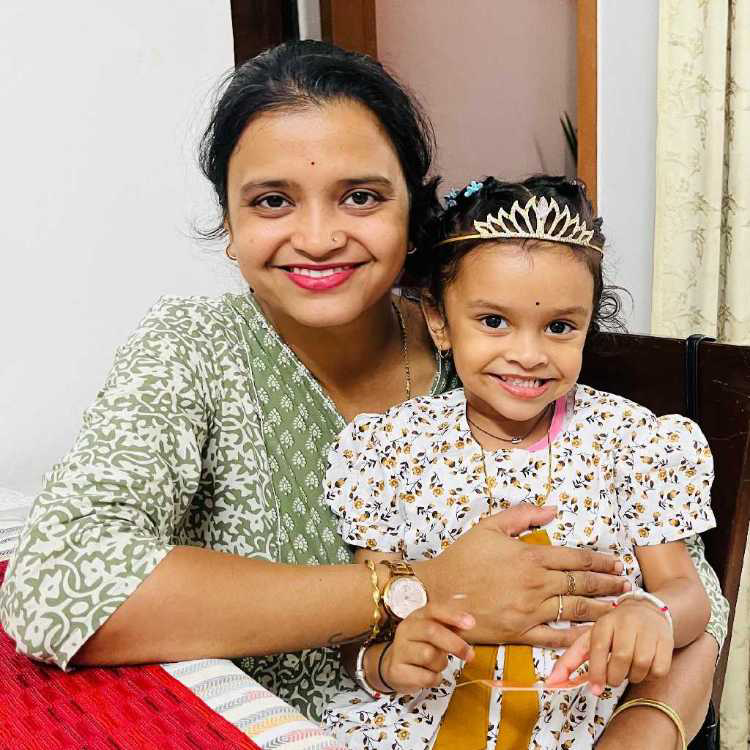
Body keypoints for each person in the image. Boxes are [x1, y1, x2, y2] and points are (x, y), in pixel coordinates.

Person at [0, 42, 726, 746]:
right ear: (229, 223)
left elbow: (695, 604)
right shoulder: (194, 348)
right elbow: (56, 587)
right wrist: (421, 585)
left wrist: (639, 734)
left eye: (361, 197)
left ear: (413, 215)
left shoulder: (495, 350)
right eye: (272, 200)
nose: (318, 238)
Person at [322, 176, 719, 748]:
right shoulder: (390, 448)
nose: (528, 355)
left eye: (559, 327)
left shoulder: (632, 443)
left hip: (571, 724)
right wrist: (386, 663)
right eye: (493, 321)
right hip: (413, 725)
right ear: (439, 321)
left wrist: (650, 613)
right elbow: (366, 624)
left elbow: (687, 592)